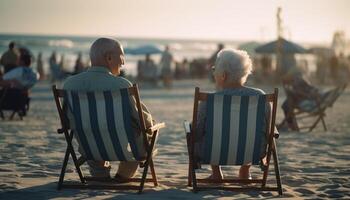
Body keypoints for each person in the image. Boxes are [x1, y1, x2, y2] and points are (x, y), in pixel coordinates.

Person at [63, 38, 154, 179]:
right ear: (109, 58)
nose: (123, 62)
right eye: (122, 57)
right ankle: (123, 175)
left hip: (90, 149)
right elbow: (142, 119)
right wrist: (150, 121)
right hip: (121, 150)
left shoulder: (70, 84)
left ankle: (100, 174)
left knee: (92, 130)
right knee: (148, 129)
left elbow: (67, 120)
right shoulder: (122, 85)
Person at [195, 49, 271, 180]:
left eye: (214, 69)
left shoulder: (209, 101)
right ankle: (245, 171)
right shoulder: (260, 96)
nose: (213, 73)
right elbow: (268, 129)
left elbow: (197, 133)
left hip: (213, 153)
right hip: (254, 153)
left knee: (195, 130)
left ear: (223, 75)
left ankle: (216, 173)